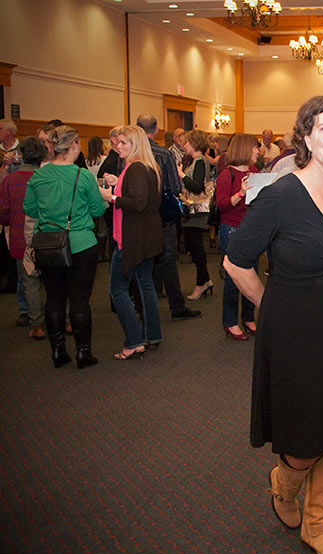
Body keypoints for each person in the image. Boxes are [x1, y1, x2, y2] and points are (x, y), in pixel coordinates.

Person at [224, 96, 323, 554]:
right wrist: (271, 307)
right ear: (305, 137)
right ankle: (283, 483)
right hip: (294, 331)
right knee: (304, 438)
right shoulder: (280, 195)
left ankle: (317, 524)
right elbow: (235, 261)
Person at [23, 125, 108, 368]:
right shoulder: (82, 176)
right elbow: (97, 209)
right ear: (73, 146)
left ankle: (58, 351)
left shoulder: (38, 176)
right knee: (80, 300)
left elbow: (29, 209)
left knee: (54, 298)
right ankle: (83, 352)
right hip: (81, 244)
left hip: (48, 245)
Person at [100, 125, 163, 359]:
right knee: (145, 284)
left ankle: (134, 341)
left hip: (133, 237)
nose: (118, 147)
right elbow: (142, 198)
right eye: (118, 143)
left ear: (135, 144)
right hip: (146, 235)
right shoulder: (148, 166)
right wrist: (119, 183)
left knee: (117, 289)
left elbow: (137, 202)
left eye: (123, 143)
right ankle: (151, 334)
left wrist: (112, 197)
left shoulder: (136, 168)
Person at [136, 114, 201, 321]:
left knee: (143, 259)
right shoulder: (164, 154)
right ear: (156, 131)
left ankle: (145, 304)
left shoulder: (131, 153)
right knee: (168, 259)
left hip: (137, 215)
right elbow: (174, 186)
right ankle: (176, 306)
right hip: (162, 214)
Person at [0, 136, 47, 340]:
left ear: (22, 155)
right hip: (50, 238)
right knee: (55, 281)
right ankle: (63, 320)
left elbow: (3, 213)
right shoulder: (48, 178)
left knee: (29, 283)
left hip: (21, 239)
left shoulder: (10, 180)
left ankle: (37, 324)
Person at [215, 133, 260, 340]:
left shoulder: (254, 171)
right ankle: (230, 322)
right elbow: (222, 205)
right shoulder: (227, 175)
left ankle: (249, 317)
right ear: (244, 150)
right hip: (231, 230)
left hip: (251, 229)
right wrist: (241, 193)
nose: (258, 151)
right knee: (234, 279)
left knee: (252, 276)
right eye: (255, 148)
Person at [178, 129, 213, 301]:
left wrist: (181, 175)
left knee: (196, 247)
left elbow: (197, 186)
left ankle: (202, 282)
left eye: (186, 142)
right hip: (194, 211)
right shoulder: (198, 160)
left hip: (196, 210)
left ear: (193, 143)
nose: (184, 145)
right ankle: (205, 280)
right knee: (195, 246)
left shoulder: (200, 161)